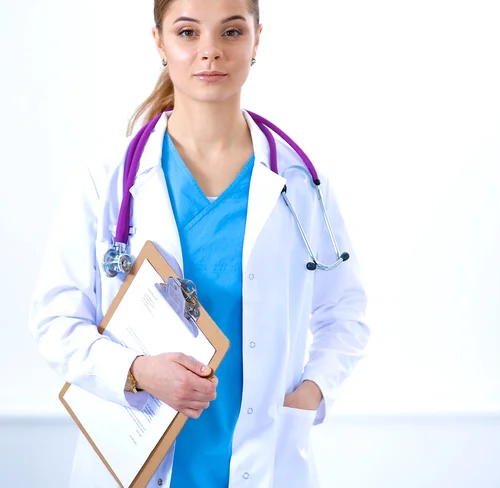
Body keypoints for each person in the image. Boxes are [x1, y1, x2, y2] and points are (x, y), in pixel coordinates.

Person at [29, 0, 369, 486]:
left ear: (256, 40)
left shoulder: (299, 182)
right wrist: (137, 370)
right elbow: (54, 319)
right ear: (159, 43)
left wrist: (312, 391)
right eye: (188, 33)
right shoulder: (108, 181)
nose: (210, 52)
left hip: (265, 461)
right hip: (141, 461)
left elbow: (345, 314)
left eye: (231, 33)